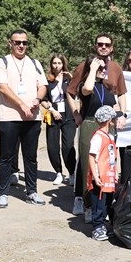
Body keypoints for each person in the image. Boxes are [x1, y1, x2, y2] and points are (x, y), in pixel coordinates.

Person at [68, 34, 128, 219]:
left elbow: (120, 95)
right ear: (95, 46)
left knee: (107, 164)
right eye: (100, 44)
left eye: (107, 44)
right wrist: (76, 114)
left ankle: (103, 204)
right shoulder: (85, 69)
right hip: (90, 122)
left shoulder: (114, 71)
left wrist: (122, 114)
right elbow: (77, 91)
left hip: (108, 126)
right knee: (88, 163)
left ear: (112, 47)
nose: (103, 47)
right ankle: (86, 202)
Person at [0, 29, 49, 209]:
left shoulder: (34, 63)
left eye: (24, 42)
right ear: (10, 43)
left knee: (30, 157)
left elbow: (43, 85)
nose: (21, 46)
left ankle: (31, 192)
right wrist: (21, 105)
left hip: (32, 118)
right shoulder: (2, 62)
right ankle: (3, 193)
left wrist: (38, 99)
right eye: (17, 42)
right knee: (6, 156)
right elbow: (3, 87)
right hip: (9, 117)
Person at [87, 105, 121, 242]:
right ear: (109, 120)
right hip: (100, 176)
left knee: (107, 202)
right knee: (98, 203)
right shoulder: (98, 137)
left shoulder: (110, 136)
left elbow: (113, 157)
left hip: (109, 176)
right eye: (114, 118)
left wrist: (116, 172)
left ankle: (103, 226)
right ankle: (97, 227)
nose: (115, 121)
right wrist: (95, 176)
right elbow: (91, 156)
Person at [42, 54, 76, 186]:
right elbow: (43, 99)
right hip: (53, 114)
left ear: (63, 64)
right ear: (51, 65)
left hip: (69, 116)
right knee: (52, 147)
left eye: (59, 63)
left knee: (68, 146)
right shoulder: (48, 81)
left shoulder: (69, 79)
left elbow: (78, 93)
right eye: (54, 63)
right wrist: (52, 110)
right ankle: (58, 172)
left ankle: (72, 172)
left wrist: (72, 79)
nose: (57, 66)